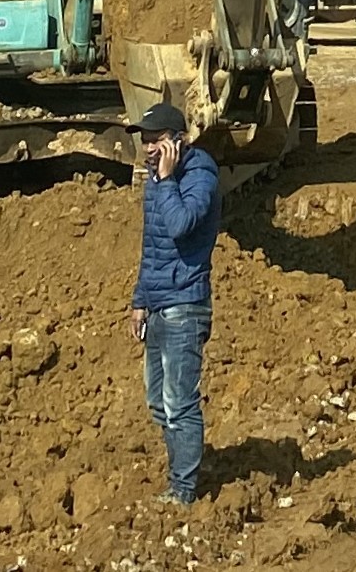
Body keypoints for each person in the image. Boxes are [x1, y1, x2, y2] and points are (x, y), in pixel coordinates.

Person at [130, 100, 219, 504]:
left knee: (179, 402)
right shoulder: (155, 179)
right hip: (158, 303)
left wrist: (167, 180)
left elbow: (182, 225)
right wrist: (140, 300)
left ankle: (183, 490)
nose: (149, 149)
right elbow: (151, 247)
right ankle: (184, 467)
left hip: (185, 304)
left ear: (178, 141)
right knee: (157, 401)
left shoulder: (200, 175)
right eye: (145, 141)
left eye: (157, 141)